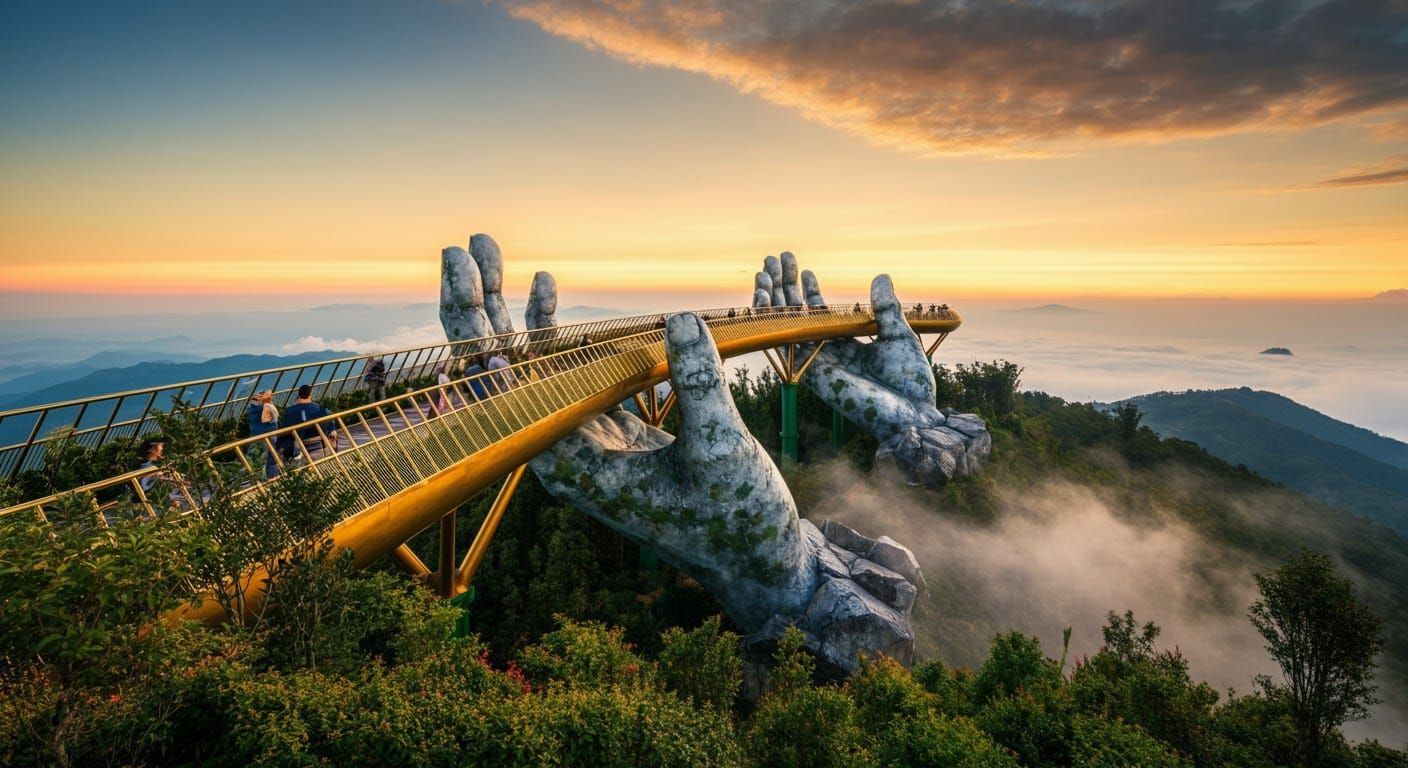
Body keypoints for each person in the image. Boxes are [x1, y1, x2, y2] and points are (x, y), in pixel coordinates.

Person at [282, 384, 340, 458]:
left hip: (298, 442)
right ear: (310, 395)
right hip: (318, 439)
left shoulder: (289, 411)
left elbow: (285, 428)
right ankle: (333, 454)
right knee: (331, 429)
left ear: (299, 396)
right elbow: (331, 420)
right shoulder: (318, 408)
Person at [247, 389, 281, 478]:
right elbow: (267, 419)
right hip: (267, 436)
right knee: (267, 459)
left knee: (262, 459)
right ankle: (270, 478)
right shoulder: (261, 408)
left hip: (260, 436)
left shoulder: (254, 409)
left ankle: (267, 478)